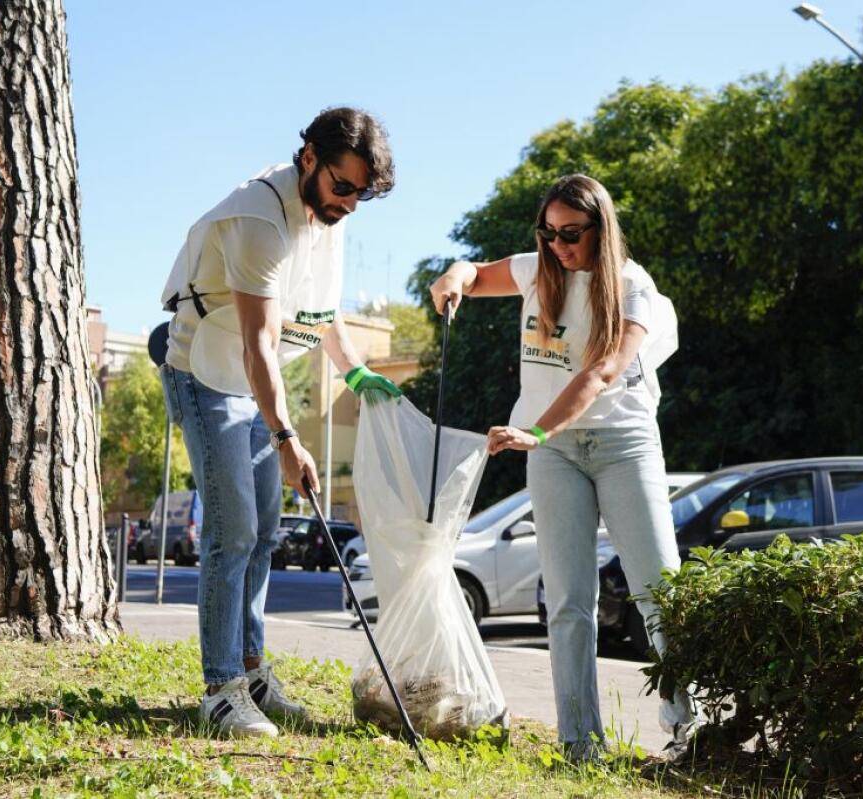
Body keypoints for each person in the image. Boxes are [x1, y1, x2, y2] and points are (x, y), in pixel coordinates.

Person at [428, 174, 698, 760]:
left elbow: (600, 373)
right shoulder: (537, 270)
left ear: (600, 229)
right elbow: (473, 273)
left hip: (620, 442)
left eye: (571, 234)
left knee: (661, 592)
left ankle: (689, 731)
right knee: (569, 602)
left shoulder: (632, 289)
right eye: (547, 233)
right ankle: (581, 744)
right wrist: (454, 276)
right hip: (551, 453)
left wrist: (536, 430)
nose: (558, 246)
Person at [159, 107, 402, 738]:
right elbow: (258, 344)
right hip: (206, 372)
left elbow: (322, 311)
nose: (350, 203)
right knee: (232, 532)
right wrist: (288, 437)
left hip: (249, 381)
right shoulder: (260, 219)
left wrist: (354, 373)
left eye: (362, 194)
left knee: (266, 531)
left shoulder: (330, 217)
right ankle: (221, 690)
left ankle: (253, 669)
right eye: (342, 187)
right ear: (309, 160)